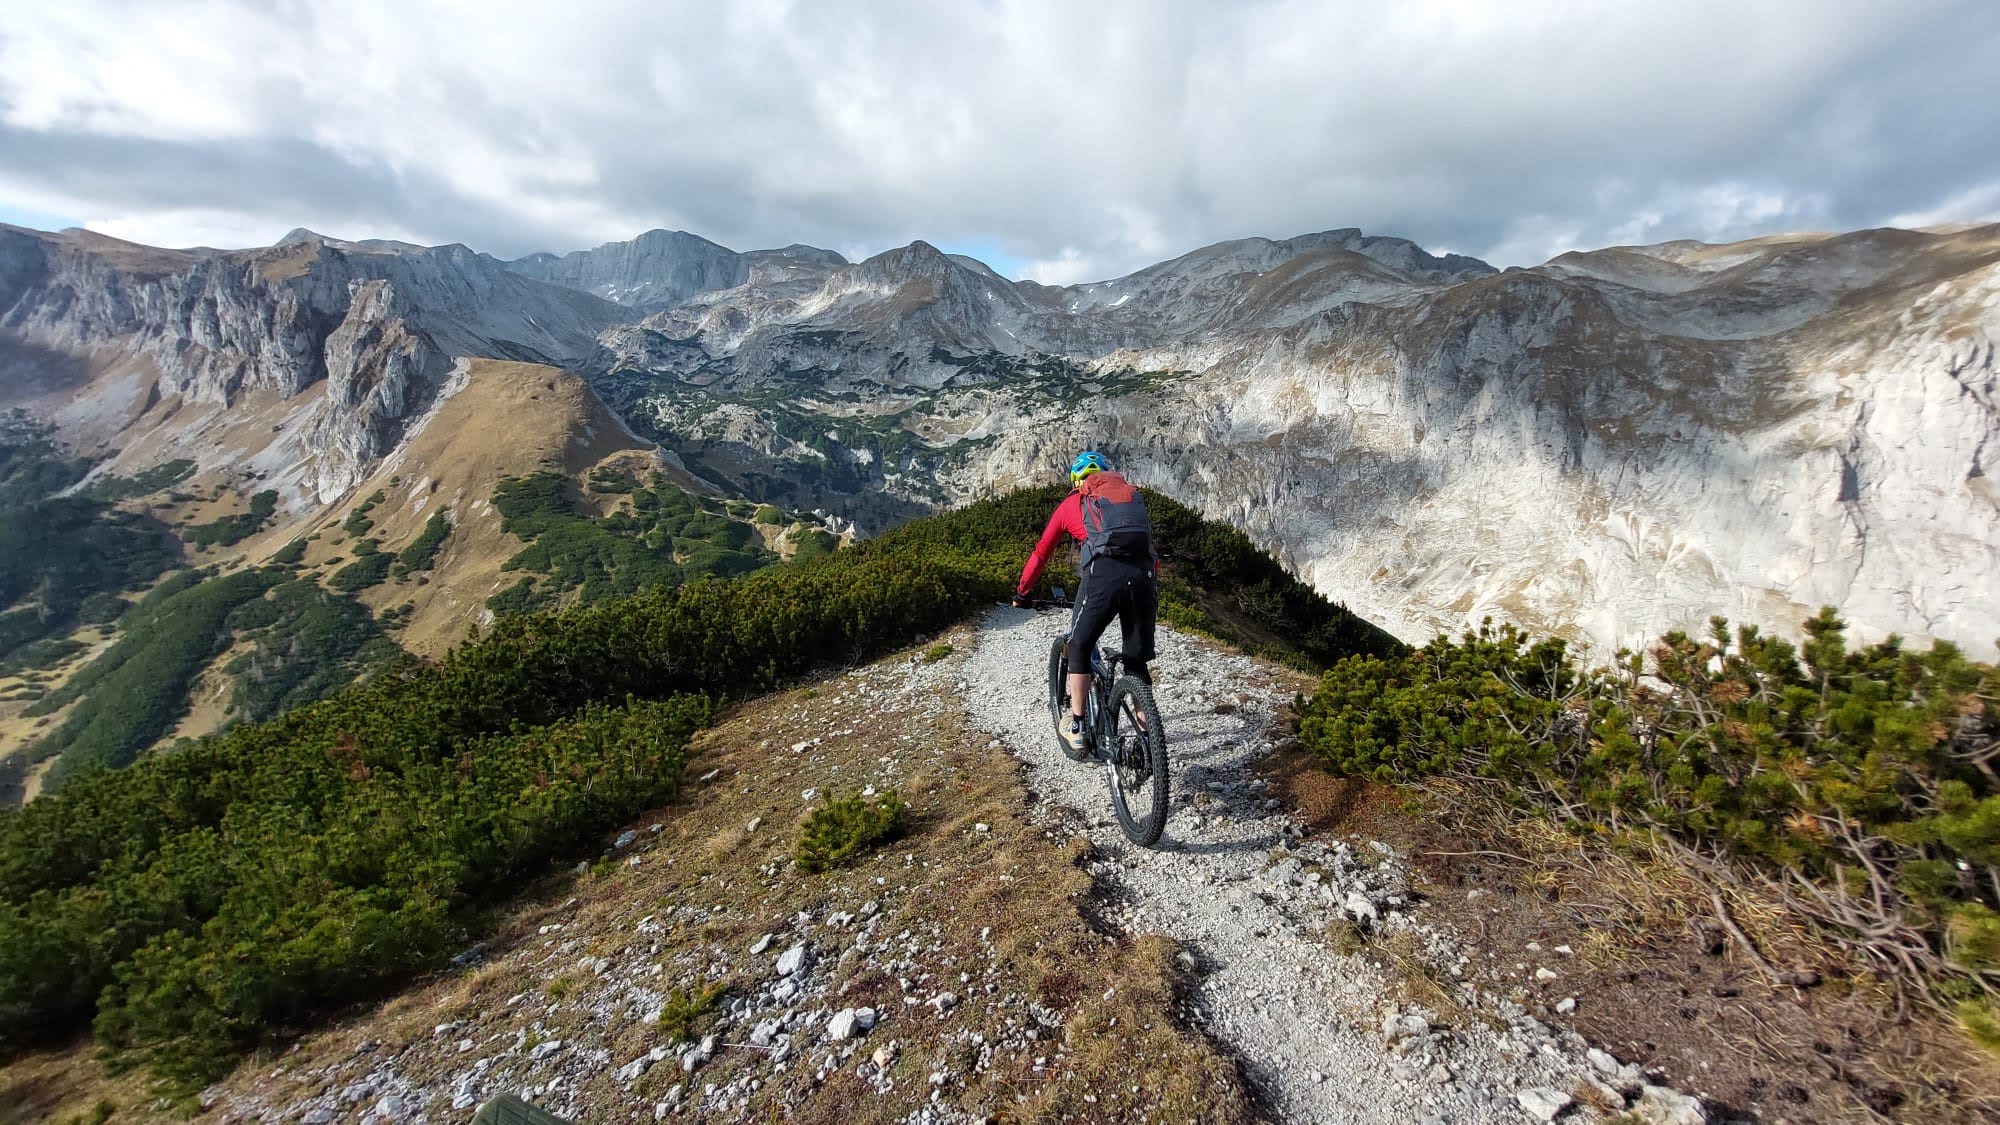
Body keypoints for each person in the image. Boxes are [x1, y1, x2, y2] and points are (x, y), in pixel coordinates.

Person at [1011, 451, 1157, 755]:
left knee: (1078, 644)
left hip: (1104, 577)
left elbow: (1041, 553)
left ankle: (1077, 724)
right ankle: (1149, 742)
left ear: (1079, 482)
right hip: (1143, 577)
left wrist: (1023, 593)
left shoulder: (1072, 503)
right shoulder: (1127, 501)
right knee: (1135, 660)